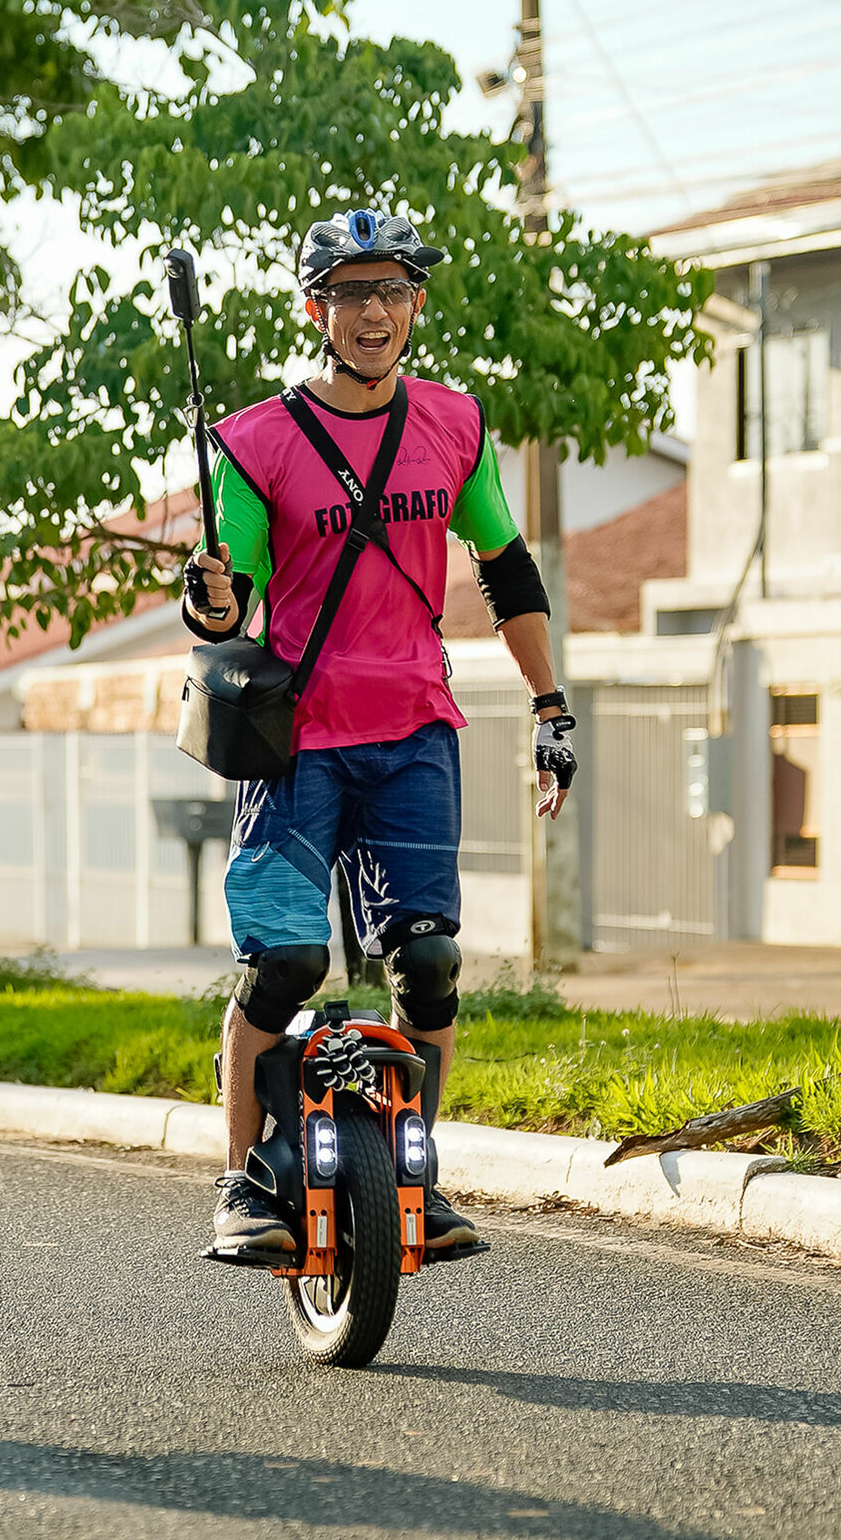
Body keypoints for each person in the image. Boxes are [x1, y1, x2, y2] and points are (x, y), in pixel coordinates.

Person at [182, 208, 576, 1256]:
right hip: (297, 740)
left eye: (391, 290)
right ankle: (239, 1183)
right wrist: (214, 602)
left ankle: (417, 1172)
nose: (372, 312)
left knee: (430, 960)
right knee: (286, 962)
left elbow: (505, 569)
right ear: (314, 308)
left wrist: (549, 706)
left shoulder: (454, 423)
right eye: (350, 292)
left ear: (414, 306)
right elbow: (231, 599)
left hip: (413, 732)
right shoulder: (255, 441)